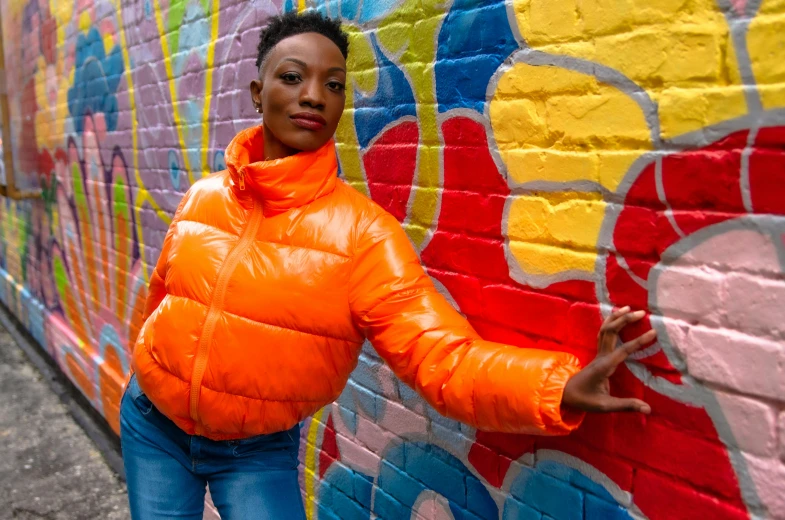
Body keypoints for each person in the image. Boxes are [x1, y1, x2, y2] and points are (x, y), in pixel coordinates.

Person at [119, 11, 656, 520]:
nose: (313, 96)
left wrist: (556, 387)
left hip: (252, 452)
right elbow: (161, 301)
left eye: (333, 85)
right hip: (152, 425)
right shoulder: (203, 197)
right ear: (259, 93)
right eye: (292, 76)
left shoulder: (363, 235)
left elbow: (441, 358)